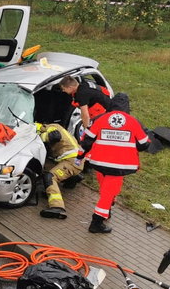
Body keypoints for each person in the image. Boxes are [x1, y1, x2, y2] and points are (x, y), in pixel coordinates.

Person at [79, 93, 149, 233]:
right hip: (119, 165)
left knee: (105, 190)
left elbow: (87, 140)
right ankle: (96, 223)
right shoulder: (133, 122)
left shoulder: (100, 119)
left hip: (99, 162)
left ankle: (107, 209)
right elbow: (144, 144)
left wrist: (80, 156)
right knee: (108, 194)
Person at [35, 123, 85, 219]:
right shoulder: (57, 126)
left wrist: (40, 136)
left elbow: (53, 136)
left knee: (49, 177)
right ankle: (73, 178)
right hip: (76, 160)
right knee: (53, 168)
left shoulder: (50, 128)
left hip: (71, 162)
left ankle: (57, 207)